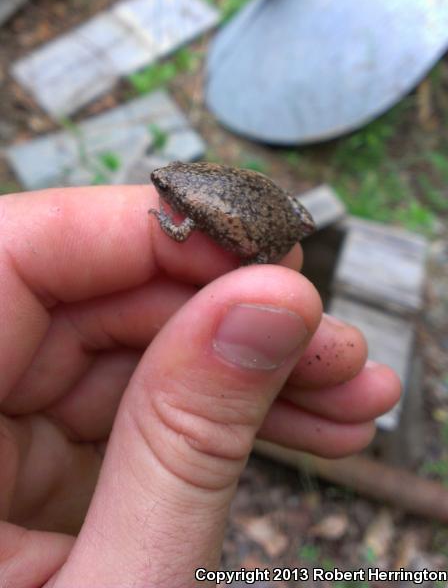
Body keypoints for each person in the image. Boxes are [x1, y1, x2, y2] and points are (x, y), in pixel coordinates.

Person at [0, 185, 401, 587]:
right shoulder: (199, 196)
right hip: (268, 219)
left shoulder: (189, 212)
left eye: (167, 189)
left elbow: (177, 233)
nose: (159, 186)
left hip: (258, 234)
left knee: (259, 294)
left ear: (184, 196)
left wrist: (163, 218)